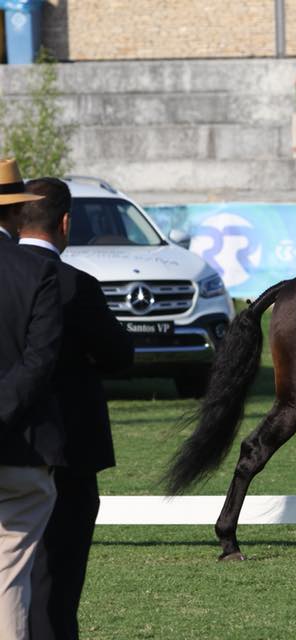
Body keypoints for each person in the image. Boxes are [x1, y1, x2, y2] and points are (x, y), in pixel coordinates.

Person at [18, 178, 133, 640]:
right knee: (57, 587)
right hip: (65, 450)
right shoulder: (74, 285)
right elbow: (118, 356)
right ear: (66, 223)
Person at [0, 159, 64, 640]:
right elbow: (39, 362)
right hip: (19, 447)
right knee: (10, 585)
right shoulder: (34, 271)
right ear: (14, 215)